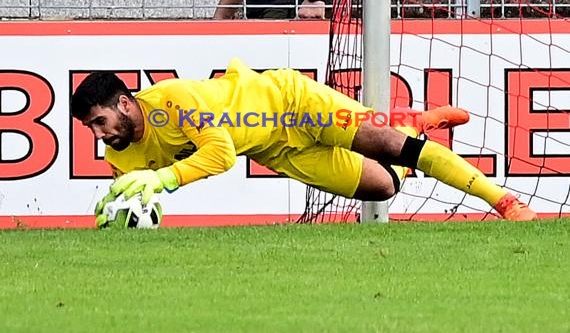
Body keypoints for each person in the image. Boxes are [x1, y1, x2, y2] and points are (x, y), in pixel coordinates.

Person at [71, 58, 538, 228]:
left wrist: (164, 178)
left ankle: (504, 201)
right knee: (383, 187)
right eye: (91, 128)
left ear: (126, 103)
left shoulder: (175, 100)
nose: (99, 135)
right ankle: (415, 122)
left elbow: (220, 154)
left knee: (395, 148)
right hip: (275, 148)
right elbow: (138, 199)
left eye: (99, 121)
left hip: (294, 101)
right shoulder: (120, 152)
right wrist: (118, 214)